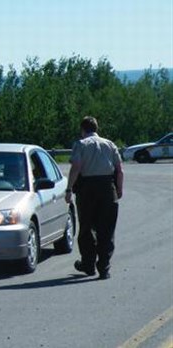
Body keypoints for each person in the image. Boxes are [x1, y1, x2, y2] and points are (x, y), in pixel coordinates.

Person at [65, 116, 124, 280]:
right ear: (96, 129)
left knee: (86, 228)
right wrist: (118, 189)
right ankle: (104, 267)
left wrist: (69, 189)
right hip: (107, 187)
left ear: (82, 130)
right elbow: (119, 170)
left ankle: (88, 264)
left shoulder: (80, 144)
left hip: (87, 189)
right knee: (106, 229)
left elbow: (76, 167)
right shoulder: (110, 144)